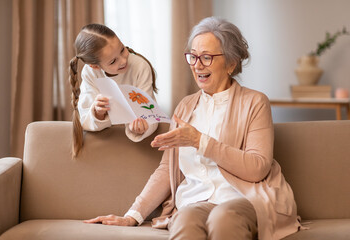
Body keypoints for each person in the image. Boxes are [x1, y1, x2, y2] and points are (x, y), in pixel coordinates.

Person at [84, 17, 301, 240]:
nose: (197, 65)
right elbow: (167, 170)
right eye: (193, 56)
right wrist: (132, 215)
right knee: (185, 220)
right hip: (196, 201)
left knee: (223, 217)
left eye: (206, 57)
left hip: (243, 199)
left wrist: (199, 141)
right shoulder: (186, 106)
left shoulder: (255, 102)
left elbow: (258, 168)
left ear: (231, 63)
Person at [69, 23, 158, 157]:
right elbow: (85, 118)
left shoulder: (140, 67)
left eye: (122, 50)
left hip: (137, 147)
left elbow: (150, 113)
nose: (123, 61)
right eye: (113, 62)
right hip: (105, 146)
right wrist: (98, 113)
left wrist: (140, 127)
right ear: (95, 66)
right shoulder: (90, 73)